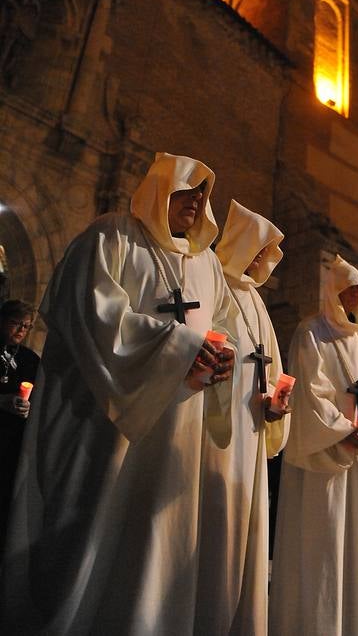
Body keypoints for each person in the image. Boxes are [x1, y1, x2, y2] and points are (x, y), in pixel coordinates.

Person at [1, 152, 235, 636]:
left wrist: (219, 361)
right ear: (159, 188)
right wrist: (179, 347)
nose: (197, 201)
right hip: (104, 424)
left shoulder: (207, 265)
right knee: (94, 539)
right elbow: (94, 316)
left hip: (178, 426)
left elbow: (222, 334)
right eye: (187, 189)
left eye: (204, 194)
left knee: (156, 545)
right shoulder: (109, 235)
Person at [269, 254, 358, 636]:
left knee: (356, 545)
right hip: (324, 458)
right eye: (348, 292)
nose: (354, 299)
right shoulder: (311, 332)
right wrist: (345, 431)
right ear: (333, 294)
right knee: (322, 542)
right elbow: (311, 393)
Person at [197, 199, 290, 635]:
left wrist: (275, 399)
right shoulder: (209, 276)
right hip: (217, 427)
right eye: (256, 250)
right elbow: (204, 343)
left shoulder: (255, 300)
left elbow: (268, 364)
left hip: (252, 427)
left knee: (246, 531)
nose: (260, 260)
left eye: (264, 254)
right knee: (215, 526)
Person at [0, 299, 39, 552]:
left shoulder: (29, 358)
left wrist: (29, 407)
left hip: (14, 439)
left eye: (27, 326)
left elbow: (40, 396)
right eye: (16, 323)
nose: (21, 331)